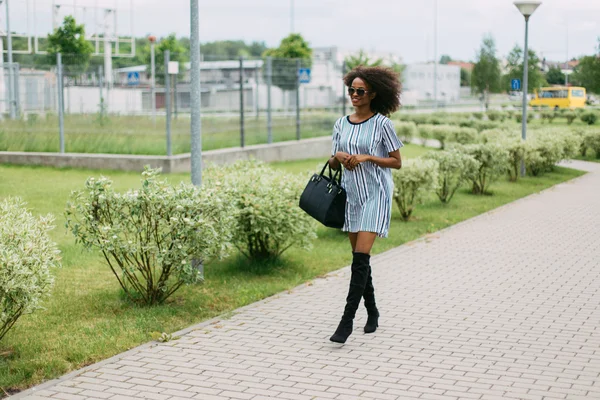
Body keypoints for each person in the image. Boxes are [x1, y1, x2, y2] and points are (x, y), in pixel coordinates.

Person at [328, 66, 403, 344]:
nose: (355, 95)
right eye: (352, 90)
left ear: (373, 94)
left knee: (360, 259)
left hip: (376, 194)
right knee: (360, 260)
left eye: (360, 91)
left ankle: (346, 323)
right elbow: (333, 161)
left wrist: (367, 158)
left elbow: (397, 162)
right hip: (352, 196)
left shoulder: (382, 124)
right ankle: (372, 311)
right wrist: (339, 155)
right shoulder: (340, 123)